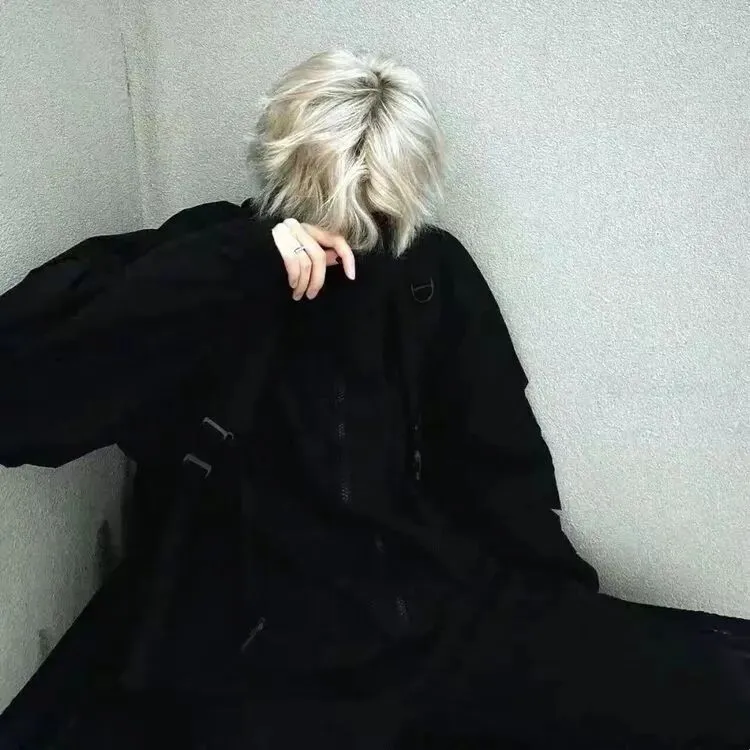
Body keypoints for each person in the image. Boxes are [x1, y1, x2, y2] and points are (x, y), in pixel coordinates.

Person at [0, 50, 748, 749]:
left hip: (423, 623)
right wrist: (239, 263)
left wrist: (566, 619)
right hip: (251, 655)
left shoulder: (429, 274)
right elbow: (24, 402)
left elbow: (499, 461)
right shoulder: (209, 260)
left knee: (703, 686)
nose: (350, 241)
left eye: (378, 216)